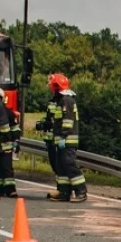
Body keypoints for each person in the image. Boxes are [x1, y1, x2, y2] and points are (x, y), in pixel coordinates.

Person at [49, 74, 87, 202]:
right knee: (61, 166)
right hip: (62, 139)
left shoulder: (66, 100)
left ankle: (81, 191)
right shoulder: (61, 100)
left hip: (67, 139)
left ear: (56, 86)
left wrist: (63, 136)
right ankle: (64, 192)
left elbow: (67, 121)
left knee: (69, 164)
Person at [0, 86, 18, 197]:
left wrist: (15, 141)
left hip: (5, 144)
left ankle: (10, 188)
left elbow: (15, 129)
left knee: (6, 167)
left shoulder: (9, 113)